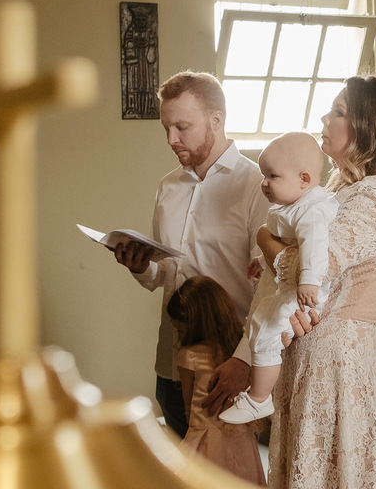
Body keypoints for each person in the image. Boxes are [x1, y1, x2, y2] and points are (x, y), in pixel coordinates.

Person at [262, 75, 376, 489]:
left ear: (368, 127)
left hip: (341, 365)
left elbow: (305, 268)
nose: (324, 117)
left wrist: (262, 239)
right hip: (315, 355)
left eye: (338, 112)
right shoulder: (340, 191)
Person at [113, 70, 268, 438]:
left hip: (224, 364)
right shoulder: (168, 186)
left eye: (182, 127)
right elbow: (164, 274)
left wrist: (244, 361)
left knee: (226, 472)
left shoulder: (256, 186)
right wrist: (141, 268)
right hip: (171, 359)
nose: (171, 139)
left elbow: (269, 287)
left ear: (216, 120)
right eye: (166, 128)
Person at [219, 132, 338, 424]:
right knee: (260, 323)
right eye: (264, 175)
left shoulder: (310, 211)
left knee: (269, 329)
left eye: (272, 176)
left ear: (304, 179)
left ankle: (259, 400)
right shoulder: (292, 205)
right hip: (295, 285)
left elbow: (314, 245)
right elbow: (289, 245)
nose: (265, 183)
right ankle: (258, 395)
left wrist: (309, 279)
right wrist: (263, 261)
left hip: (310, 290)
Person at [167, 276, 266, 486]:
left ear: (196, 325)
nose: (180, 336)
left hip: (204, 438)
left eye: (181, 330)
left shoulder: (188, 355)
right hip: (242, 441)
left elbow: (188, 408)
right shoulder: (239, 352)